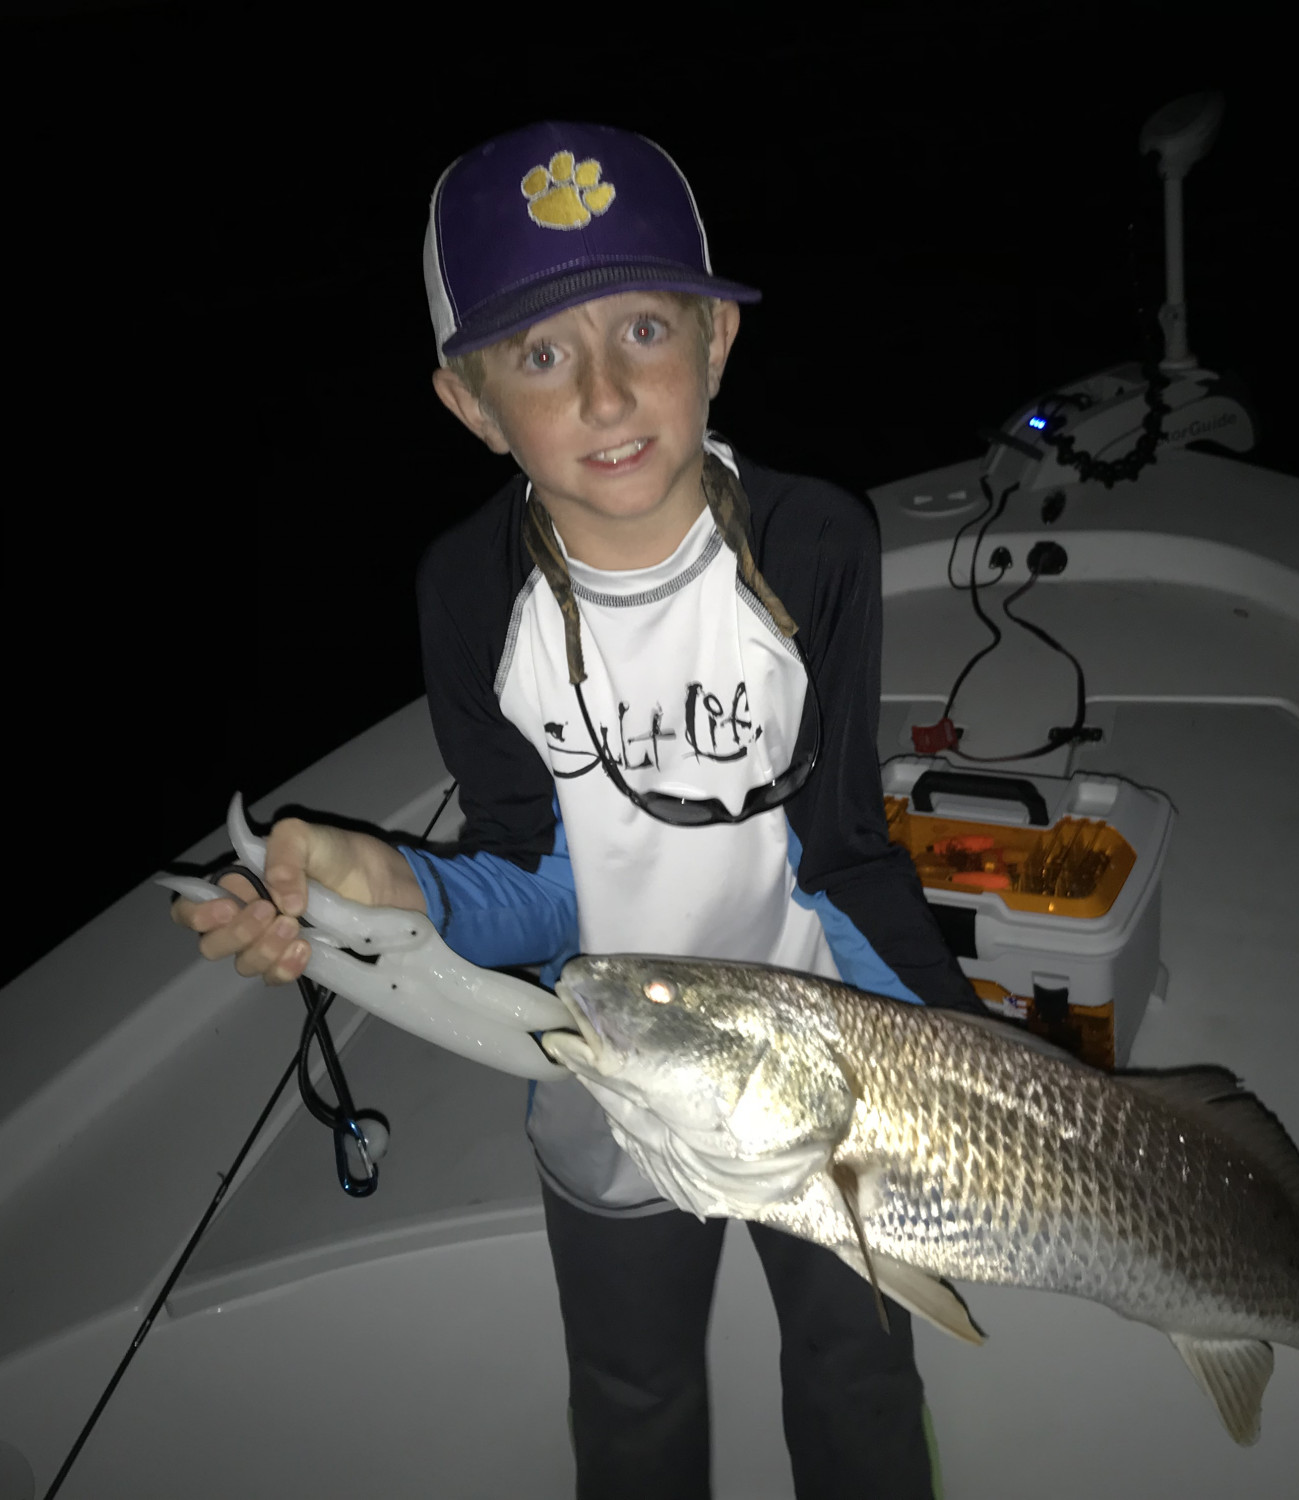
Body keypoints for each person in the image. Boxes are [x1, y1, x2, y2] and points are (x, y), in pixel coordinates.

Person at [172, 121, 984, 1500]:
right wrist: (392, 881)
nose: (607, 395)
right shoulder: (468, 593)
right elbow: (534, 879)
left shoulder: (815, 543)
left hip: (818, 1059)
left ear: (716, 345)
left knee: (860, 1373)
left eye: (646, 330)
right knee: (631, 1389)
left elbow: (841, 850)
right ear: (471, 402)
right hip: (609, 1071)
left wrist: (950, 1056)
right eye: (543, 356)